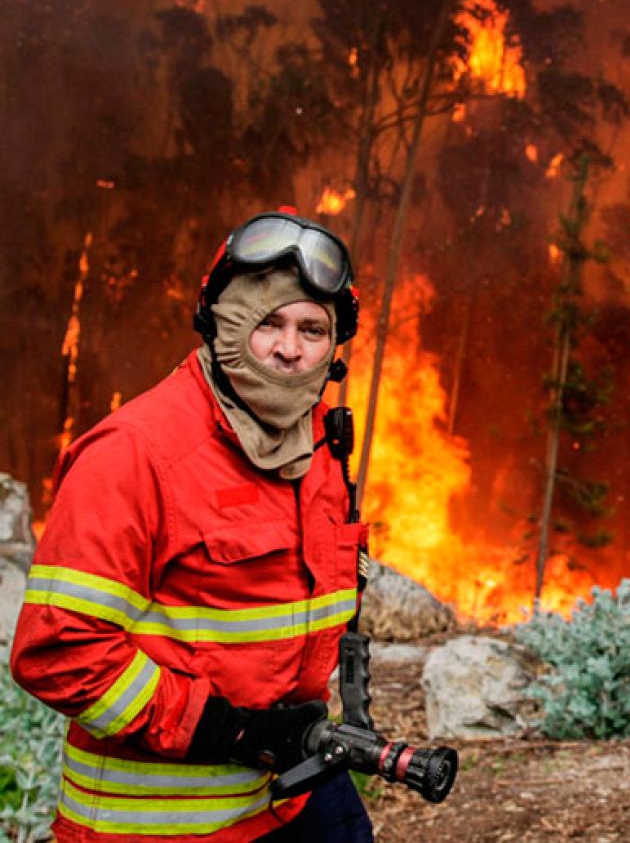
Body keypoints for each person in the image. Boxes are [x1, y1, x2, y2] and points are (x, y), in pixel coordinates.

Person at [10, 210, 375, 841]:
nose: (290, 349)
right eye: (268, 323)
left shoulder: (317, 450)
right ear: (223, 324)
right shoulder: (135, 455)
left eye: (313, 329)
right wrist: (226, 729)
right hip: (162, 823)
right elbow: (58, 650)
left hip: (293, 793)